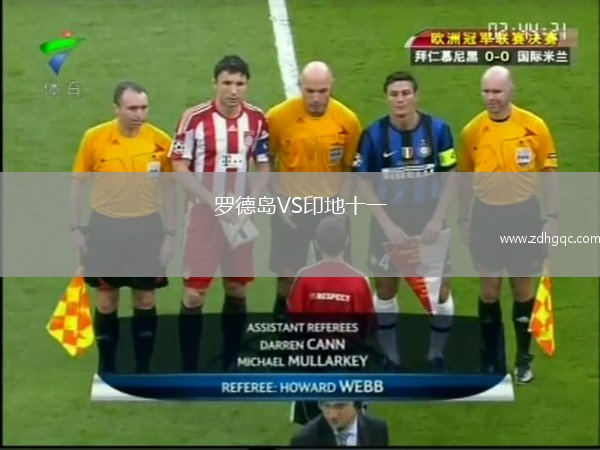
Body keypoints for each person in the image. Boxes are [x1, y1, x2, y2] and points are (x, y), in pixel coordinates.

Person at [457, 65, 559, 384]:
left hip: (523, 217)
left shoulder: (534, 127)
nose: (491, 97)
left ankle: (523, 360)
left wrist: (553, 218)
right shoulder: (472, 131)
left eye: (497, 91)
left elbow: (550, 174)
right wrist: (463, 218)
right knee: (489, 289)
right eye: (486, 91)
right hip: (486, 216)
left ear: (511, 91)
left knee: (522, 287)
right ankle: (490, 360)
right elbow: (464, 178)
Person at [170, 55, 270, 372]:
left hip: (239, 217)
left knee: (237, 289)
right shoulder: (194, 119)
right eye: (227, 83)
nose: (233, 90)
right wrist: (212, 201)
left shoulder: (256, 119)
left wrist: (250, 203)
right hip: (204, 217)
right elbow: (179, 166)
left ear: (247, 85)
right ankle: (189, 366)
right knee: (194, 294)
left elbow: (264, 166)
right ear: (215, 83)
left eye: (239, 83)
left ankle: (231, 359)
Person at [353, 71, 458, 373]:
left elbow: (451, 176)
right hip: (389, 223)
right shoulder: (373, 135)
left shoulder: (438, 130)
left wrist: (437, 219)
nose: (400, 99)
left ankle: (437, 356)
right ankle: (391, 357)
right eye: (394, 94)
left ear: (416, 96)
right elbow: (363, 182)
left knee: (440, 293)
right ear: (387, 98)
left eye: (405, 93)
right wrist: (387, 225)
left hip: (429, 223)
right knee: (386, 289)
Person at [70, 80, 177, 374]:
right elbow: (77, 184)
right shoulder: (95, 138)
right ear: (116, 109)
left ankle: (142, 369)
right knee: (107, 299)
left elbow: (170, 190)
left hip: (147, 228)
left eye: (143, 107)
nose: (139, 114)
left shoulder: (160, 142)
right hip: (105, 228)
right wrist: (75, 229)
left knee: (145, 297)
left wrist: (170, 235)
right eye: (132, 108)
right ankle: (108, 368)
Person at [266, 61, 362, 321]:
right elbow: (266, 161)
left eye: (322, 91)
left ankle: (336, 332)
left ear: (332, 86)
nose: (316, 98)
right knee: (287, 277)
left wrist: (340, 211)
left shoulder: (348, 121)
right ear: (300, 87)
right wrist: (278, 202)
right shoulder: (277, 118)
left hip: (331, 206)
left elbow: (351, 169)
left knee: (336, 278)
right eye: (309, 91)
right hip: (291, 205)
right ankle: (285, 331)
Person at [287, 216, 375, 426]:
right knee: (348, 425)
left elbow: (293, 325)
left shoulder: (304, 277)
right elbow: (368, 329)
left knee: (313, 427)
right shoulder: (359, 280)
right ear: (346, 242)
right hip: (348, 366)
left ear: (317, 244)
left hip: (311, 365)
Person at [290, 401, 389, 447]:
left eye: (340, 406)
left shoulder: (377, 429)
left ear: (357, 405)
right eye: (326, 406)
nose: (332, 415)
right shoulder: (305, 440)